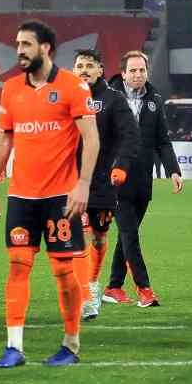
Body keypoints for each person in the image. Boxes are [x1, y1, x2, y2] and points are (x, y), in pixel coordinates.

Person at [0, 20, 100, 368]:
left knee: (64, 272)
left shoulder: (72, 87)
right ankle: (14, 347)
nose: (19, 50)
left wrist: (83, 184)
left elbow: (91, 139)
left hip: (60, 198)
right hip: (21, 196)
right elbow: (5, 138)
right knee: (17, 267)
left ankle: (71, 344)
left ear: (46, 48)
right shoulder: (11, 90)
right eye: (17, 44)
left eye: (27, 44)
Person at [104, 52, 182, 308]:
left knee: (128, 233)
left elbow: (162, 140)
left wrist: (173, 170)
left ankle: (114, 286)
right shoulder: (108, 98)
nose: (138, 75)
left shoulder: (155, 100)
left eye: (142, 70)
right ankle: (145, 289)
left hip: (142, 179)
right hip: (115, 177)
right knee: (129, 233)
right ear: (123, 73)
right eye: (133, 71)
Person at [70, 49, 138, 321]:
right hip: (71, 179)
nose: (84, 70)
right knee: (79, 234)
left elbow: (130, 136)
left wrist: (121, 165)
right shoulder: (65, 97)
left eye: (89, 65)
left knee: (98, 236)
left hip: (103, 180)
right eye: (79, 65)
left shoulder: (113, 100)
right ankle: (85, 296)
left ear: (100, 70)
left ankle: (93, 282)